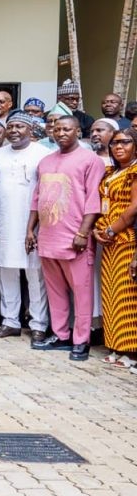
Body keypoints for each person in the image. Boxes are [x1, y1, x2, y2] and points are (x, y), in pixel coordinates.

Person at [29, 115, 104, 361]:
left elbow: (94, 200)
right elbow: (37, 198)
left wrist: (83, 233)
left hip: (75, 238)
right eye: (57, 129)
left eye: (67, 129)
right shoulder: (45, 161)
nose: (61, 133)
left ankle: (81, 340)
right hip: (48, 237)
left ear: (77, 131)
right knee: (55, 291)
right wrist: (30, 230)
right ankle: (61, 335)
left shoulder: (90, 160)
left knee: (81, 293)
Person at [0, 114, 51, 342]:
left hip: (32, 224)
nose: (13, 130)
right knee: (5, 271)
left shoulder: (43, 154)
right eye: (10, 126)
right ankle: (10, 321)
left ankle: (38, 324)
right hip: (2, 223)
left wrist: (40, 225)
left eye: (19, 126)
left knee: (35, 274)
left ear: (30, 130)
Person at [92, 128, 137, 369]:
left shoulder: (135, 171)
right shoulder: (110, 171)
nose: (118, 147)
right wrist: (98, 230)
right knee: (110, 294)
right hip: (107, 241)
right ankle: (114, 345)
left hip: (126, 238)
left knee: (126, 295)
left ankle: (130, 350)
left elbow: (133, 208)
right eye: (115, 143)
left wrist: (111, 230)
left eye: (125, 143)